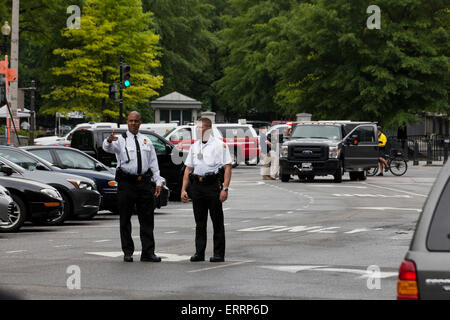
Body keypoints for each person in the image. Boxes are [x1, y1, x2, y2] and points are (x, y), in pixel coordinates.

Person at [102, 111, 163, 263]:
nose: (133, 124)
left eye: (136, 121)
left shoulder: (146, 141)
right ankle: (128, 251)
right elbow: (107, 148)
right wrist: (108, 141)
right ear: (127, 123)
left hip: (144, 183)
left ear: (140, 122)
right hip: (127, 183)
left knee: (147, 219)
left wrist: (158, 181)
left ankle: (148, 252)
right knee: (125, 219)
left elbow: (153, 163)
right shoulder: (120, 140)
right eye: (130, 121)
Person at [181, 117, 232, 263]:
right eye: (196, 128)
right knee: (200, 222)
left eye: (200, 128)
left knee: (217, 221)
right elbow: (188, 168)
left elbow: (227, 167)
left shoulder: (219, 145)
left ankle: (218, 254)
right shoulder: (195, 146)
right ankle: (199, 252)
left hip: (212, 185)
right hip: (197, 185)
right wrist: (183, 189)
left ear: (208, 129)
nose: (197, 130)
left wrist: (225, 189)